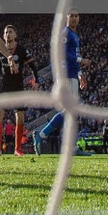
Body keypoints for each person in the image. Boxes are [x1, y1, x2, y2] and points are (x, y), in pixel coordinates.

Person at [35, 10, 90, 156]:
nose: (74, 18)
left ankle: (44, 135)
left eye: (76, 16)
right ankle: (66, 145)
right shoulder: (65, 33)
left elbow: (74, 55)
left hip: (72, 74)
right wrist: (81, 61)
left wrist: (79, 74)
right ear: (66, 18)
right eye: (71, 16)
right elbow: (63, 53)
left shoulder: (73, 35)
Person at [0, 24, 35, 156]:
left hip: (18, 88)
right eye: (6, 32)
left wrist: (37, 81)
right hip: (4, 88)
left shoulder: (22, 50)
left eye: (10, 32)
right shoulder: (0, 51)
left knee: (20, 118)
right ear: (3, 36)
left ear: (15, 35)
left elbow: (33, 66)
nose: (8, 34)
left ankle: (17, 149)